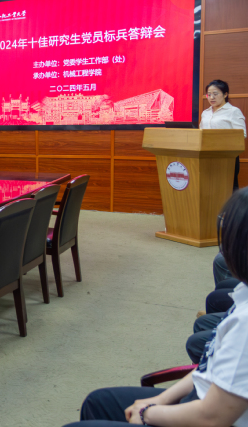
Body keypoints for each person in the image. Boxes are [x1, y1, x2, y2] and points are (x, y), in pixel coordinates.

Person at [64, 189, 248, 427]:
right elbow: (208, 367)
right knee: (97, 402)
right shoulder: (243, 294)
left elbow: (212, 418)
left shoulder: (244, 325)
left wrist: (147, 413)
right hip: (203, 398)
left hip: (204, 415)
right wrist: (160, 399)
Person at [200, 79, 246, 191]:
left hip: (227, 156)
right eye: (209, 94)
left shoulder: (233, 111)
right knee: (209, 187)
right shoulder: (205, 113)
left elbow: (242, 134)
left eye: (215, 94)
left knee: (228, 187)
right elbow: (201, 133)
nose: (211, 97)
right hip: (206, 155)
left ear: (225, 94)